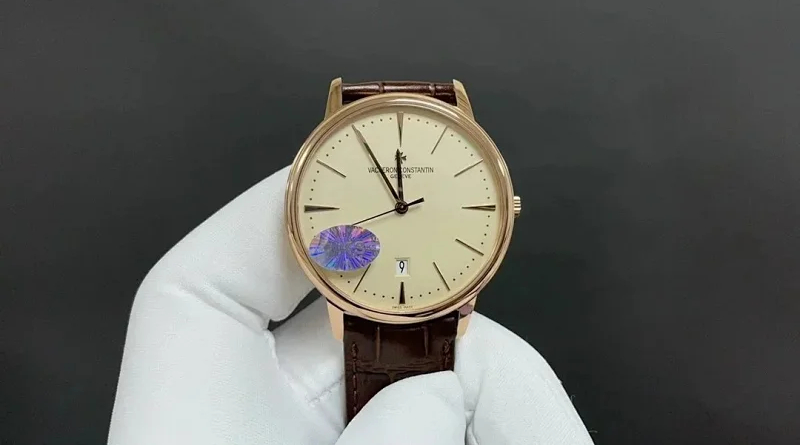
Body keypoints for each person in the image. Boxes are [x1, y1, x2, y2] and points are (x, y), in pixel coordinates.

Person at [108, 167, 595, 445]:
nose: (402, 208)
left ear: (506, 208)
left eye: (406, 204)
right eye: (397, 204)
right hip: (362, 291)